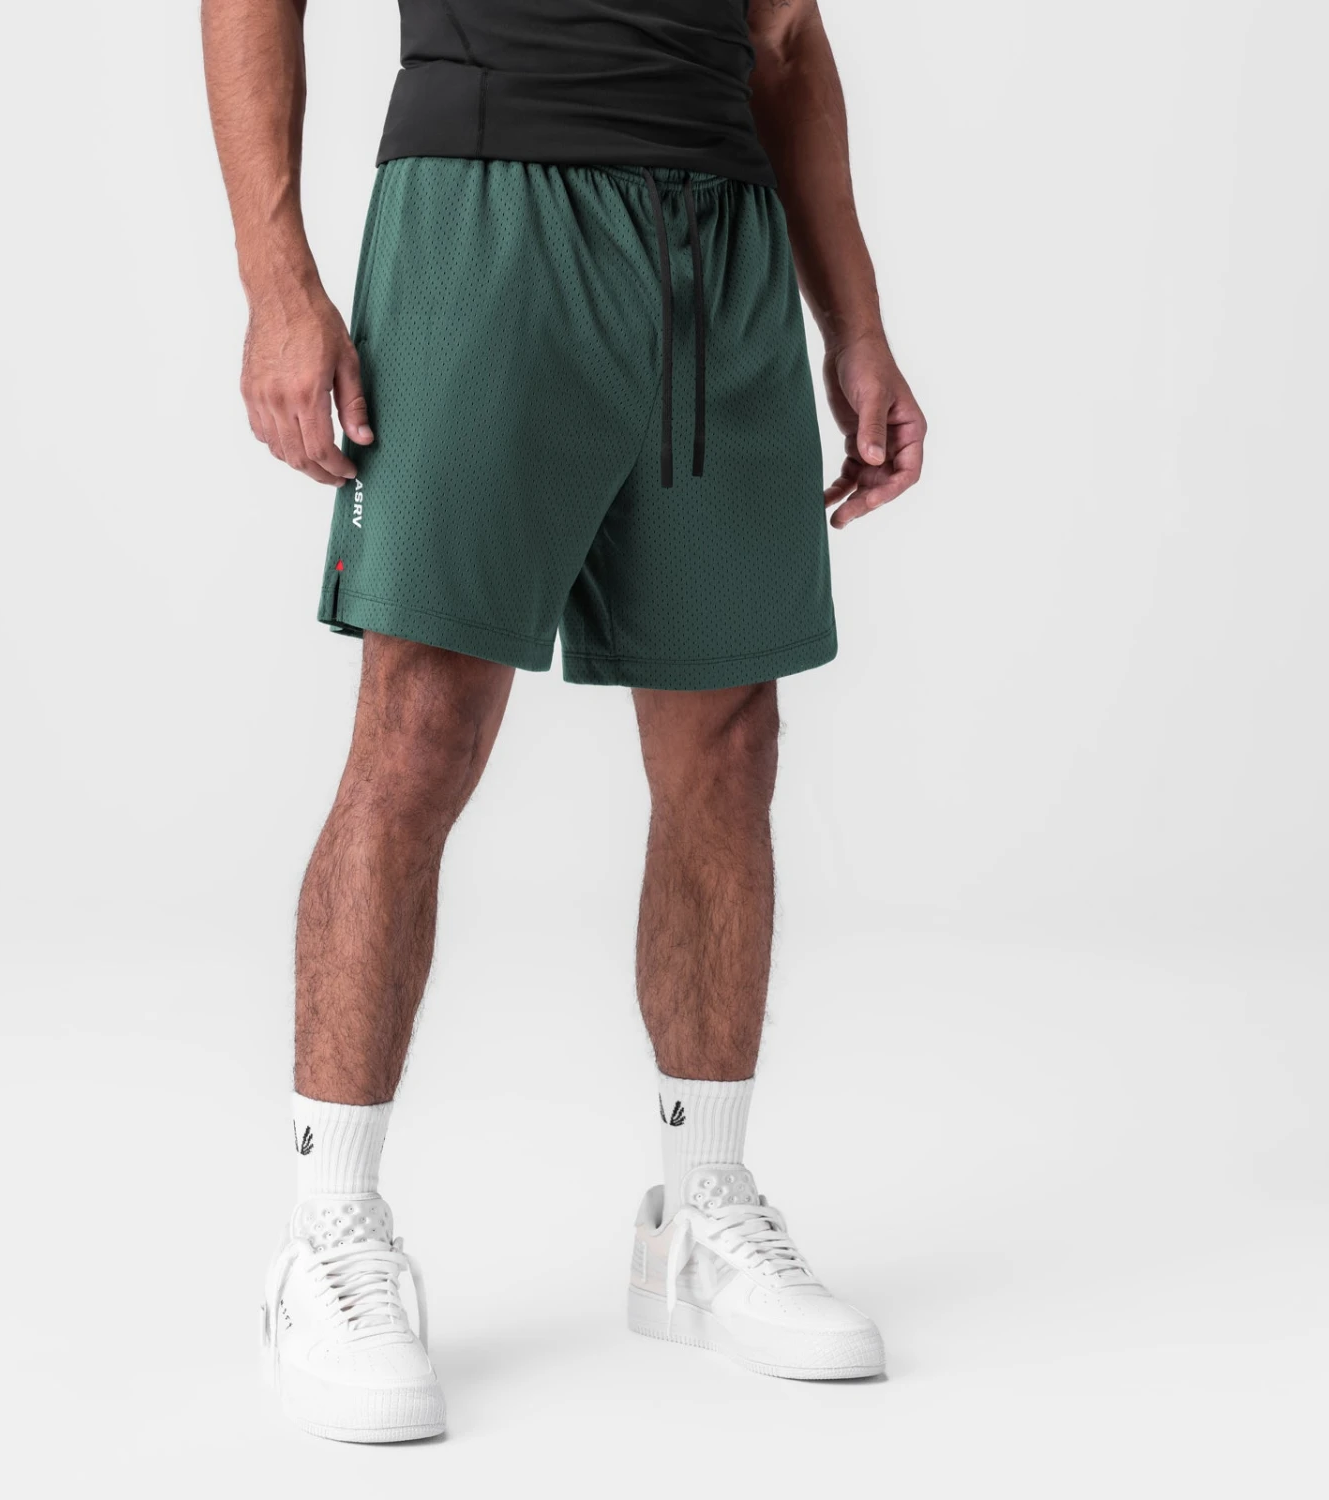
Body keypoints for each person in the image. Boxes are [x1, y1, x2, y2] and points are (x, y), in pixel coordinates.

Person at [204, 0, 926, 1443]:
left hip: (717, 239)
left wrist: (856, 325)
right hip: (485, 216)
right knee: (419, 727)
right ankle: (327, 1233)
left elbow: (785, 41)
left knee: (728, 735)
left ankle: (699, 1214)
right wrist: (279, 283)